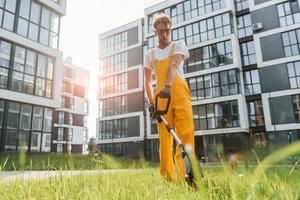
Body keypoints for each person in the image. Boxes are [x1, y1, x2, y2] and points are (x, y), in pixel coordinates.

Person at [144, 13, 195, 181]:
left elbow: (173, 64)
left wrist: (167, 86)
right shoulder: (150, 54)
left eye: (167, 30)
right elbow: (147, 81)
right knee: (165, 140)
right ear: (155, 32)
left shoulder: (178, 45)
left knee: (185, 134)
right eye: (160, 32)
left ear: (170, 29)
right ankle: (167, 178)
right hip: (162, 99)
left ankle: (187, 175)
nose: (164, 35)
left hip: (180, 94)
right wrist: (152, 103)